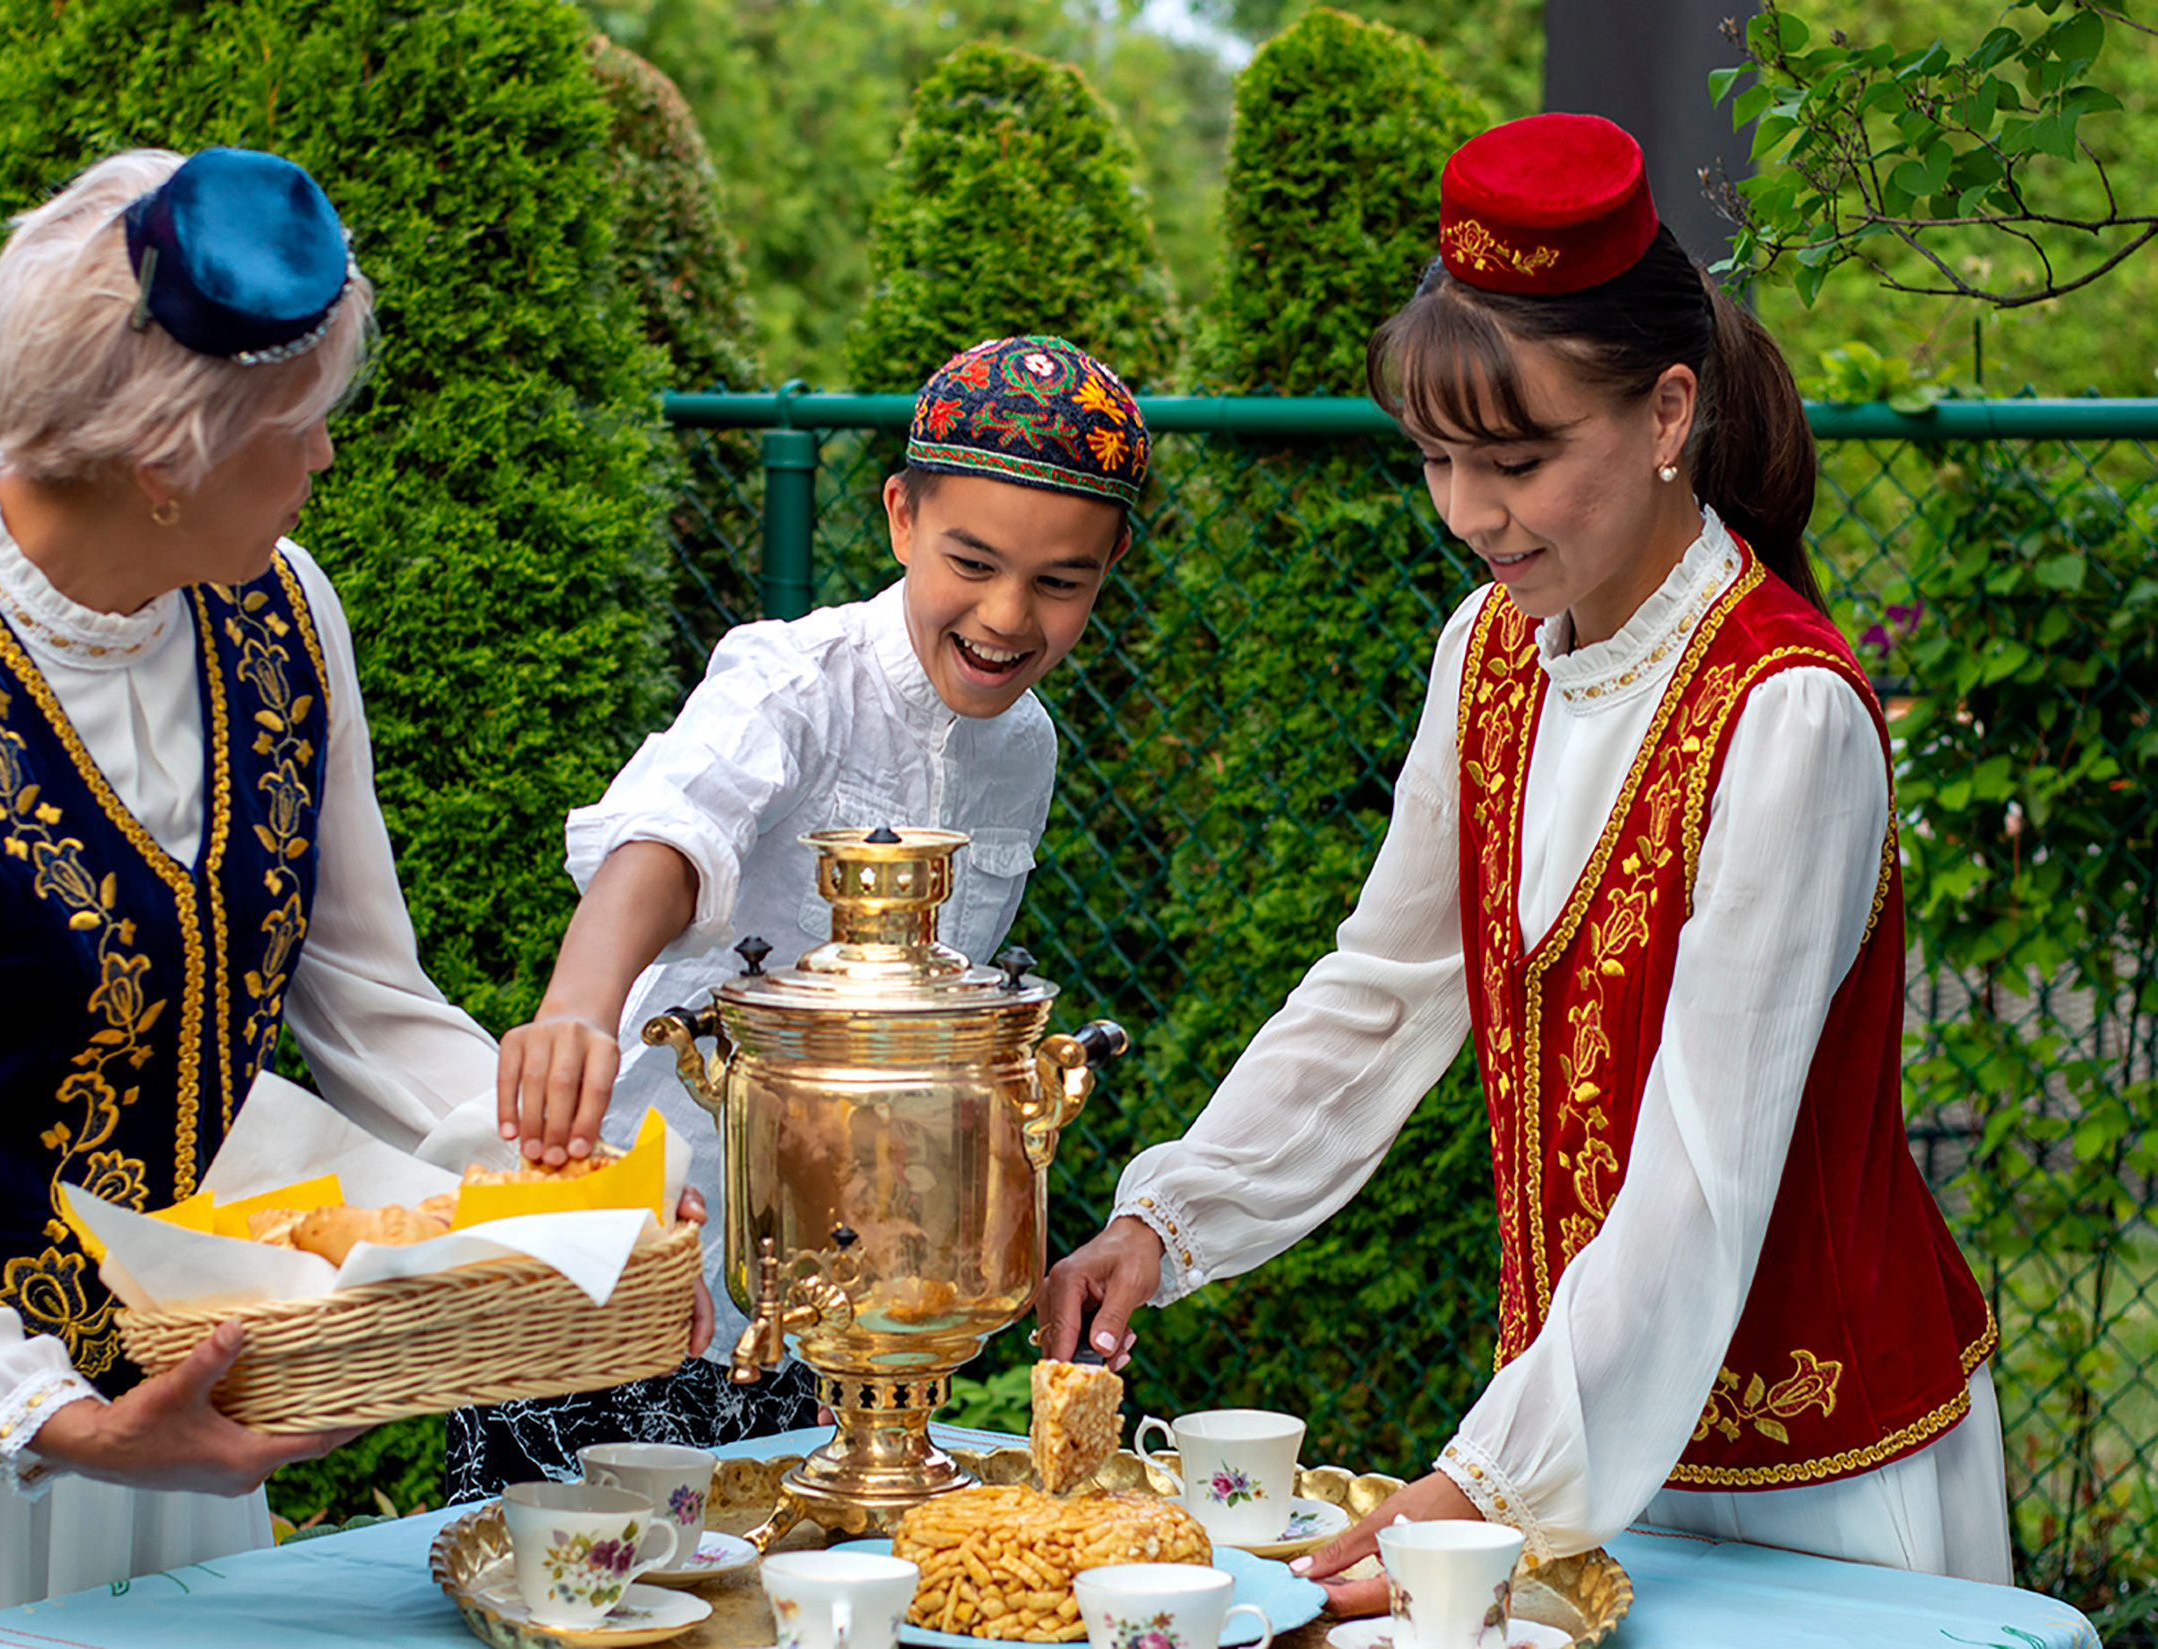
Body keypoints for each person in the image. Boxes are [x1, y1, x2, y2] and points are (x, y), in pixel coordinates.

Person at [0, 147, 708, 1649]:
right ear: (166, 459)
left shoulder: (284, 611)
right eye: (300, 432)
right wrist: (53, 1416)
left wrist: (585, 1186)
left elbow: (367, 1006)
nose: (326, 464)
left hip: (192, 1405)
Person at [1040, 113, 2007, 1605]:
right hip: (1576, 1441)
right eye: (1434, 457)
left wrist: (1479, 1488)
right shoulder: (1490, 651)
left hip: (1818, 1475)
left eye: (1517, 458)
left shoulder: (1786, 713)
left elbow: (1702, 1168)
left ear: (1669, 412)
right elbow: (1386, 986)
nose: (1468, 513)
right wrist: (1170, 1217)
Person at [448, 335, 1148, 1498]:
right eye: (968, 561)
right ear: (898, 518)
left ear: (1108, 565)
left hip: (829, 1313)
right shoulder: (788, 679)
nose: (1005, 615)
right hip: (632, 1263)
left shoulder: (1026, 749)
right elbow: (673, 834)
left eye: (1059, 582)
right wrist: (577, 1005)